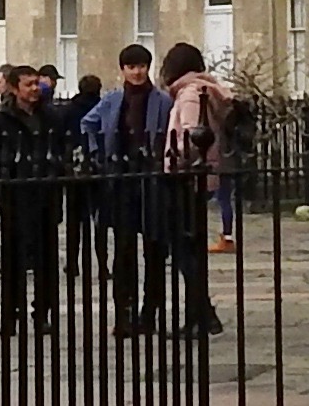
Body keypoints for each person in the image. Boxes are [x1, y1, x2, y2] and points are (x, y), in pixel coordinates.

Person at [76, 43, 172, 335]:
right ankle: (124, 313)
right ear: (123, 70)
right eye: (131, 67)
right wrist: (97, 153)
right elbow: (87, 123)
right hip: (120, 180)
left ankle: (150, 312)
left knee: (154, 250)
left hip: (152, 179)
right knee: (124, 249)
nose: (137, 72)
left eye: (141, 66)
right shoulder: (113, 99)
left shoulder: (162, 100)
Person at [151, 44, 228, 336]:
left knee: (184, 249)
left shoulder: (190, 93)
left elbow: (193, 134)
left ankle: (203, 315)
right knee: (188, 248)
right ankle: (202, 314)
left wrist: (175, 158)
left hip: (186, 177)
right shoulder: (201, 89)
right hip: (196, 176)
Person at [0, 66, 66, 326]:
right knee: (13, 257)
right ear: (13, 87)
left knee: (46, 258)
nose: (34, 89)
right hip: (15, 195)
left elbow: (61, 148)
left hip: (45, 192)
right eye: (28, 84)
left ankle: (42, 312)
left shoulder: (50, 116)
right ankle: (12, 311)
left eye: (36, 83)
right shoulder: (2, 119)